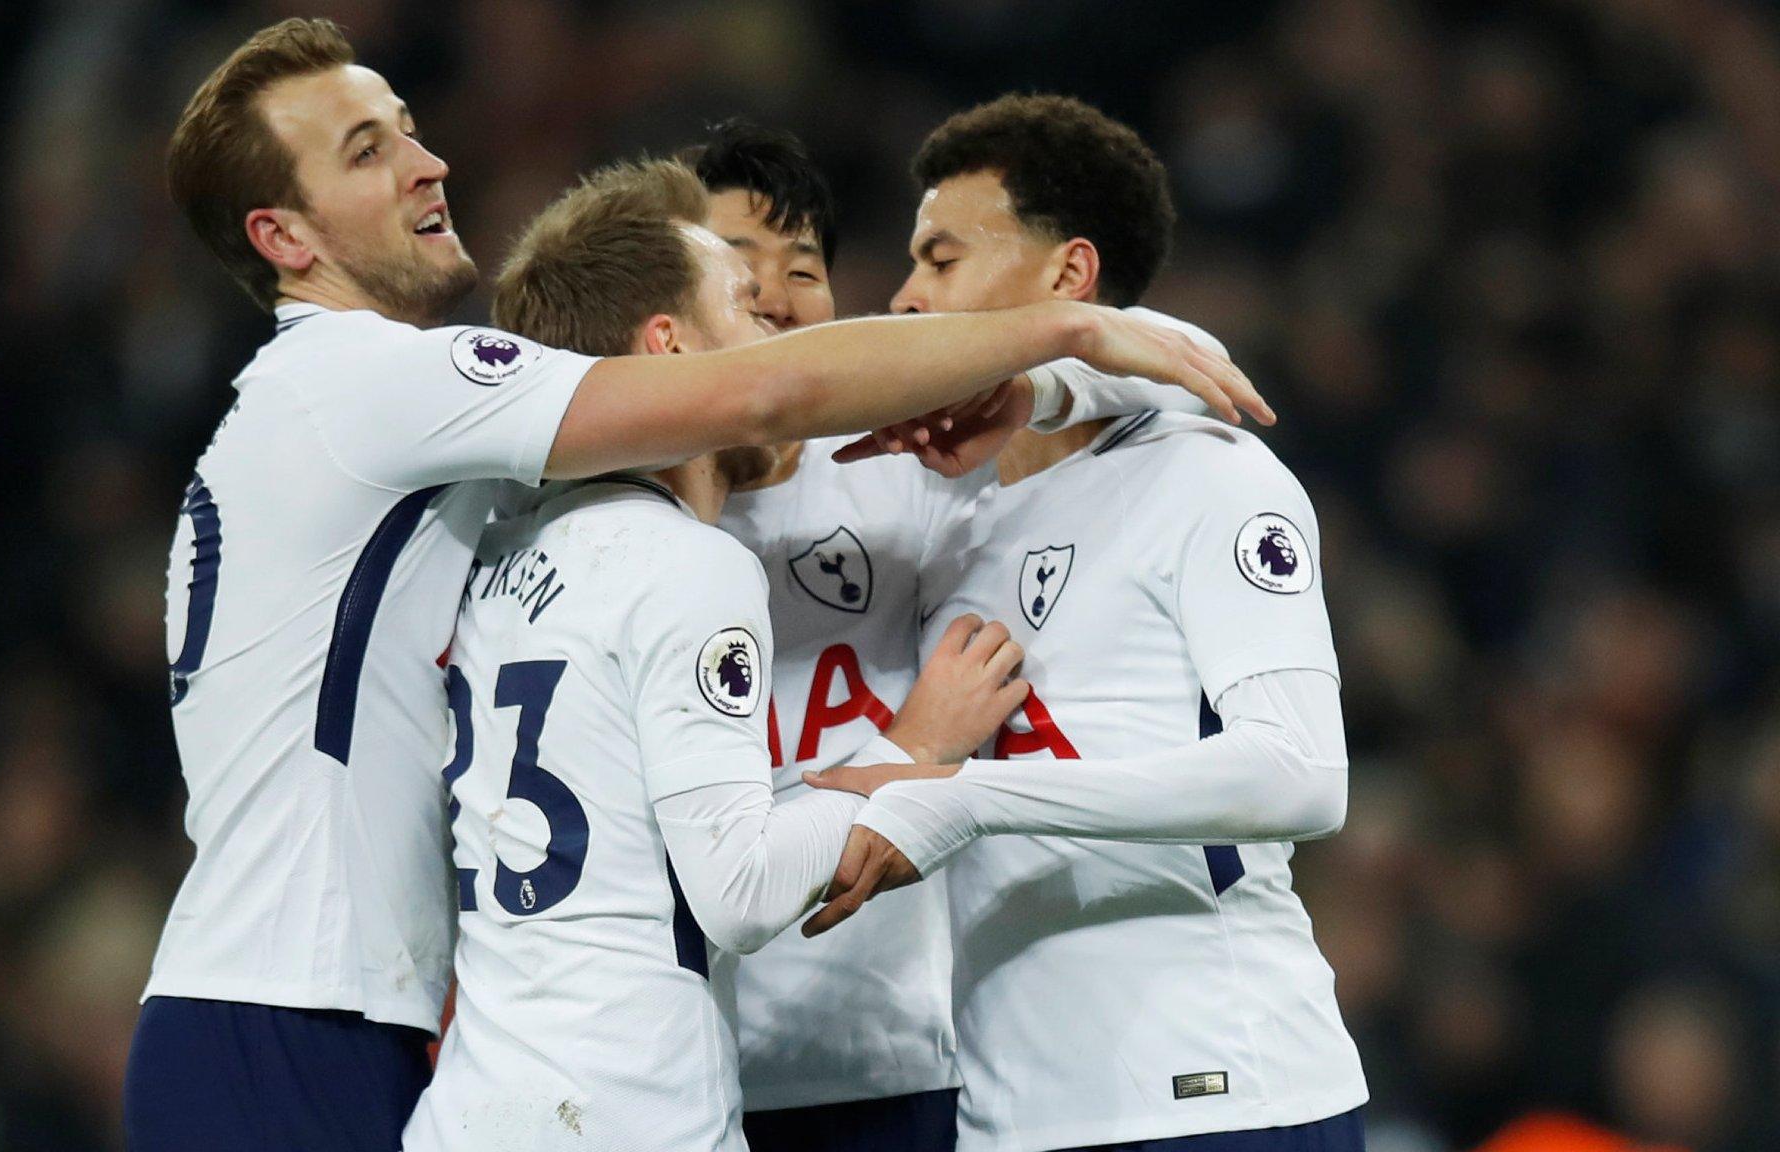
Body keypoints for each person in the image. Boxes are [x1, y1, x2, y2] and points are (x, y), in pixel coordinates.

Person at [125, 19, 1258, 1152]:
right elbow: (758, 399)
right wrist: (1060, 332)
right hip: (297, 1018)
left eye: (410, 132)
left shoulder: (462, 483)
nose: (428, 164)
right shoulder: (376, 383)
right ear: (279, 234)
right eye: (366, 151)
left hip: (360, 1022)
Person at [404, 158, 1028, 1152]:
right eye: (740, 299)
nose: (772, 334)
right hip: (630, 1113)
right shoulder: (688, 564)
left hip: (476, 1107)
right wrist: (915, 751)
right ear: (670, 347)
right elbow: (737, 892)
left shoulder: (498, 554)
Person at [804, 94, 1369, 1152]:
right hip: (1011, 1114)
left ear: (1067, 279)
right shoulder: (938, 509)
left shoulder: (1207, 476)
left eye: (940, 257)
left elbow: (1297, 775)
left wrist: (967, 795)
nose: (904, 294)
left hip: (1217, 1092)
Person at [682, 120, 1255, 1152]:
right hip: (694, 1064)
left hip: (902, 1053)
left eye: (803, 266)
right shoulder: (614, 516)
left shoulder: (889, 461)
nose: (772, 291)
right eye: (733, 261)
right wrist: (916, 744)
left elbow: (1187, 360)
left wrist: (1037, 380)